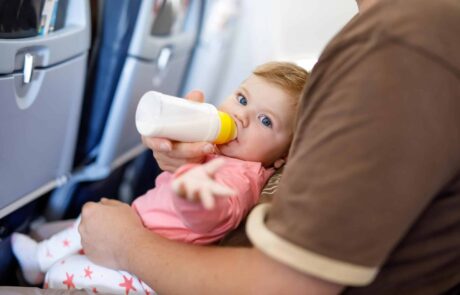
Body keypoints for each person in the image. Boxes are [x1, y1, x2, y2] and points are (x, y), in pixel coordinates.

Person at [77, 0, 460, 294]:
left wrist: (126, 244)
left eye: (264, 120)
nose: (242, 116)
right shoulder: (389, 32)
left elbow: (286, 285)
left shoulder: (401, 44)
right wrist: (183, 166)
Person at [11, 62, 309, 294]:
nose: (241, 116)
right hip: (141, 222)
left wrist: (191, 197)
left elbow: (217, 212)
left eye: (265, 120)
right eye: (242, 99)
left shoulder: (240, 178)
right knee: (88, 220)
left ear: (281, 158)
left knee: (61, 273)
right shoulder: (217, 149)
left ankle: (41, 267)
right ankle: (37, 258)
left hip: (146, 276)